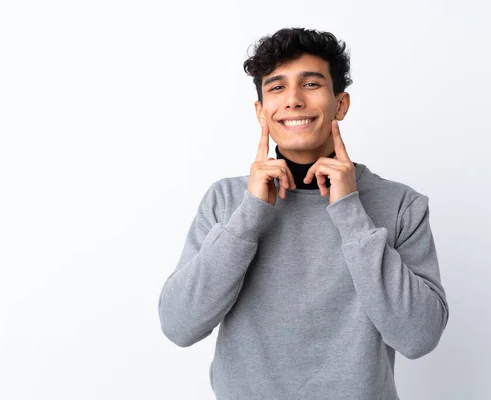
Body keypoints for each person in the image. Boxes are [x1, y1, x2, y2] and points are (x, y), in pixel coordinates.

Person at [158, 27, 449, 400]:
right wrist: (250, 214)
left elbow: (419, 337)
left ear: (340, 103)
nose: (293, 100)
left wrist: (350, 213)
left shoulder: (401, 205)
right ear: (261, 111)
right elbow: (180, 326)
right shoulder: (226, 199)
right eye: (277, 88)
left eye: (311, 84)